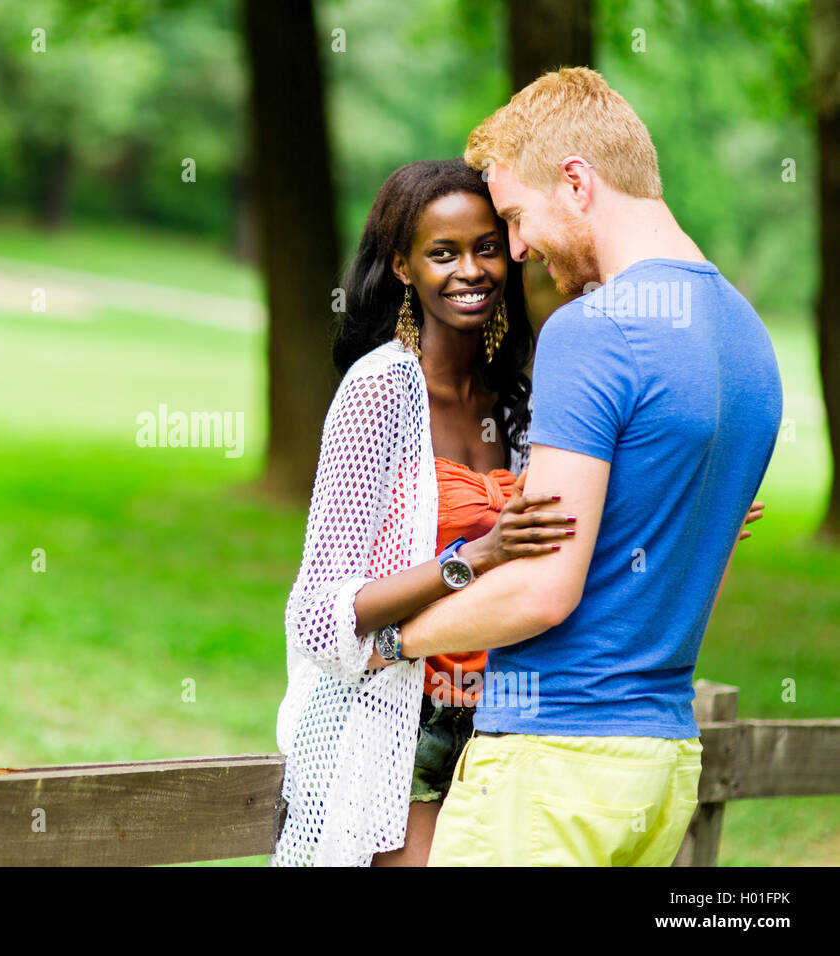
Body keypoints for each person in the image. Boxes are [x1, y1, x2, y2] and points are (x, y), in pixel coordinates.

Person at [390, 67, 783, 866]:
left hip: (551, 769)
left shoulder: (593, 329)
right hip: (660, 769)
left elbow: (542, 586)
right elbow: (683, 556)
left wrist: (393, 639)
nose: (520, 249)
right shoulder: (750, 340)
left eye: (515, 216)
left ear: (576, 181)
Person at [269, 158, 577, 867]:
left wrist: (690, 506)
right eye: (444, 253)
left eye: (487, 247)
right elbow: (318, 615)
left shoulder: (519, 402)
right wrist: (471, 560)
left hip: (506, 724)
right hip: (399, 723)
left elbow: (562, 537)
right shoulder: (377, 392)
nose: (471, 270)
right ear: (404, 267)